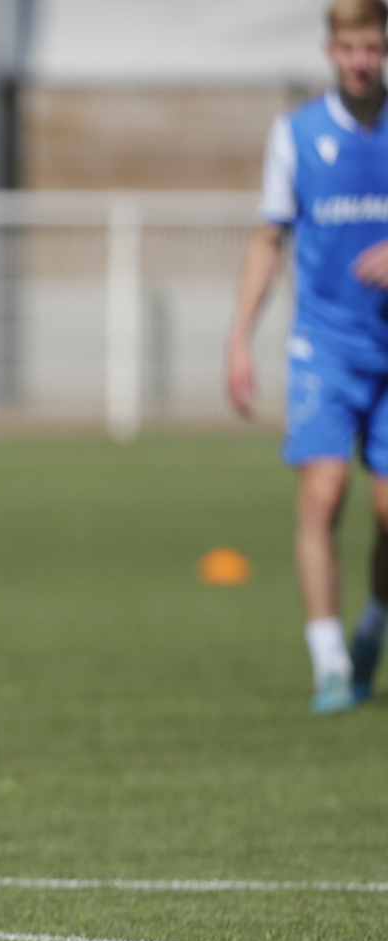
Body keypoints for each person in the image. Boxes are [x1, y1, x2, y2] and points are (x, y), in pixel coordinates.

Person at [228, 0, 388, 714]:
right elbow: (270, 237)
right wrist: (240, 337)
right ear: (330, 49)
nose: (360, 60)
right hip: (323, 345)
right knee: (323, 495)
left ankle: (370, 629)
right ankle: (327, 662)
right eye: (349, 47)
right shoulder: (296, 134)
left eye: (372, 47)